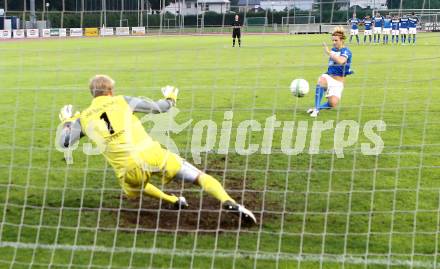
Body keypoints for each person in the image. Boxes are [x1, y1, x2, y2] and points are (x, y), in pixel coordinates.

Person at [57, 75, 257, 224]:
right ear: (110, 91)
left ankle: (173, 200)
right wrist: (170, 98)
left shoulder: (82, 119)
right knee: (198, 177)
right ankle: (228, 201)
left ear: (92, 94)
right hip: (151, 154)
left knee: (138, 187)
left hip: (126, 169)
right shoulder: (121, 100)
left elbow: (65, 142)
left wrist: (68, 121)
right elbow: (160, 108)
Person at [307, 27, 353, 118]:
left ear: (342, 40)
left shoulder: (346, 51)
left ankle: (317, 108)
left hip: (339, 82)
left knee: (333, 103)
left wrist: (329, 53)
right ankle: (316, 109)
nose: (334, 42)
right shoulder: (333, 50)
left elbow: (341, 61)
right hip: (329, 77)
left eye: (336, 40)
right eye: (333, 40)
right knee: (321, 81)